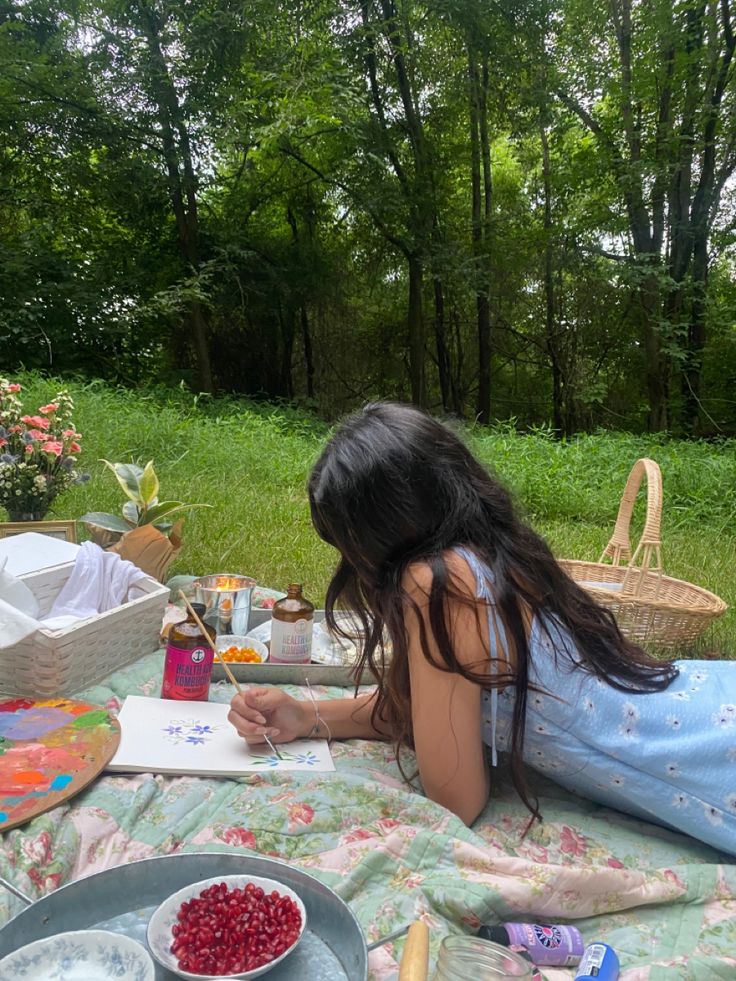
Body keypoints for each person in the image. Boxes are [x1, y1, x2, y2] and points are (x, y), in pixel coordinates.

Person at [229, 402, 736, 856]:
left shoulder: (440, 584)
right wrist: (306, 716)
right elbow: (436, 711)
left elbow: (456, 798)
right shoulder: (487, 554)